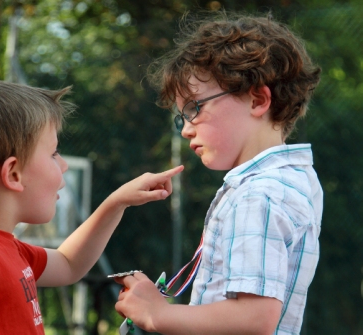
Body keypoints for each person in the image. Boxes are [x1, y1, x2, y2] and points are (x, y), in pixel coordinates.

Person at [0, 79, 184, 335]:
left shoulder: (1, 246)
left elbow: (69, 263)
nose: (64, 165)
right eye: (54, 153)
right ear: (14, 175)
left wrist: (117, 201)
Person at [114, 11, 323, 335]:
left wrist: (157, 314)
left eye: (195, 108)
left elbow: (254, 319)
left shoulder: (258, 196)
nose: (185, 130)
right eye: (180, 117)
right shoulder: (295, 181)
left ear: (257, 99)